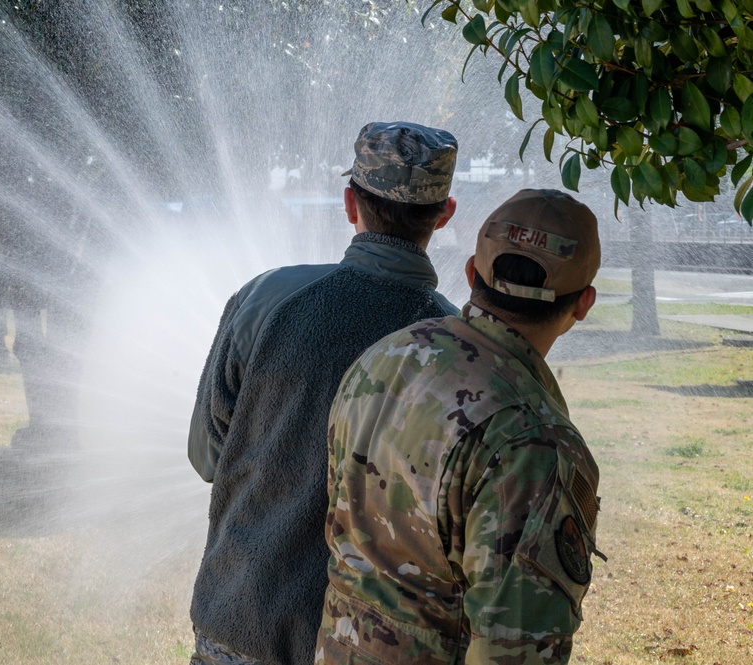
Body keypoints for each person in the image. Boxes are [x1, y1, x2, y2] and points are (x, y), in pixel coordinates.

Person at [188, 121, 460, 665]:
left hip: (239, 622)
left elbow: (207, 458)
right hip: (366, 646)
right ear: (444, 214)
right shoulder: (455, 345)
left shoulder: (267, 298)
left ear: (349, 203)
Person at [314, 188, 605, 664]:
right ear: (583, 304)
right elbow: (512, 649)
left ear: (472, 273)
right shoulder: (533, 442)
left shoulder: (385, 357)